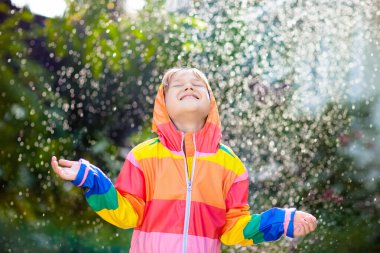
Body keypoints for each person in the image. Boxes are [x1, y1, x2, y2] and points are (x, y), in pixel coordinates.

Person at [51, 67, 317, 253]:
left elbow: (234, 228)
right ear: (163, 104)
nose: (189, 86)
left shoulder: (230, 166)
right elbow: (125, 214)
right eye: (178, 85)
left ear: (211, 104)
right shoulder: (143, 157)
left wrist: (281, 221)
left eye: (198, 85)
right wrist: (91, 178)